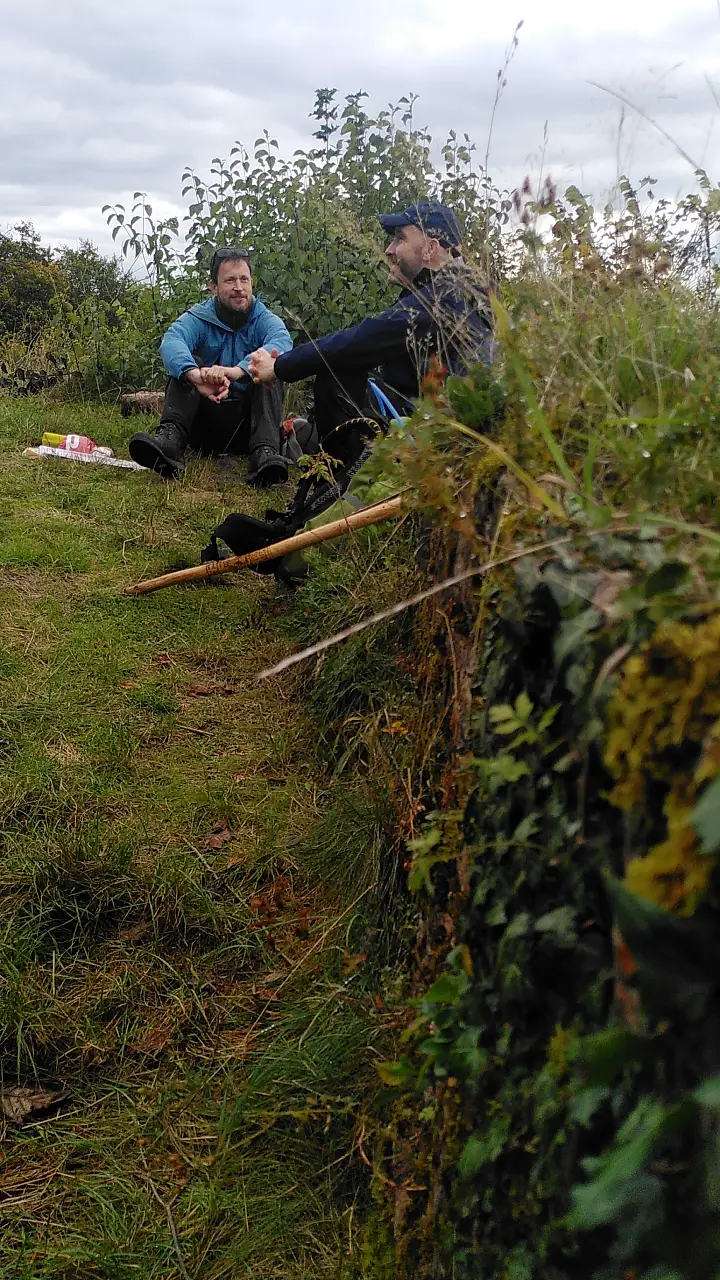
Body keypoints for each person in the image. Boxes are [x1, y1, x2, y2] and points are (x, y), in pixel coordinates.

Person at [247, 201, 493, 440]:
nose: (389, 249)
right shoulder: (464, 291)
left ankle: (344, 478)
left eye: (400, 238)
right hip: (448, 424)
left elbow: (361, 340)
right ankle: (316, 440)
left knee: (339, 371)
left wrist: (280, 367)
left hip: (451, 435)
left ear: (430, 248)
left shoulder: (443, 298)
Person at [129, 247, 293, 485]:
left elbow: (281, 342)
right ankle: (170, 444)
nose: (238, 286)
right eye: (229, 280)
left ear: (252, 283)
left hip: (248, 428)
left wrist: (239, 371)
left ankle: (265, 454)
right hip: (203, 424)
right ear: (213, 287)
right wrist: (195, 375)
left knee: (270, 369)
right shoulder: (199, 317)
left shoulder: (265, 319)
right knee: (186, 365)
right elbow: (172, 341)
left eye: (243, 279)